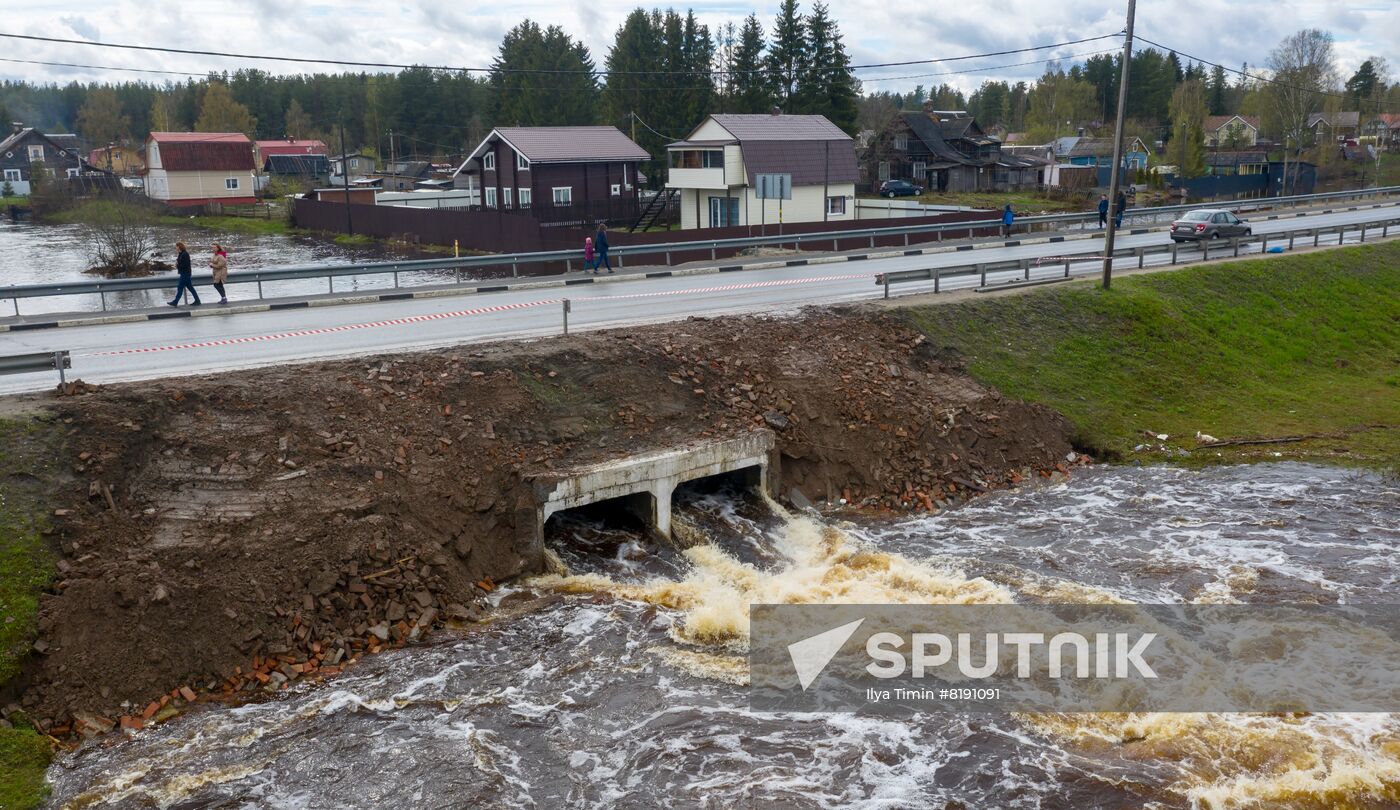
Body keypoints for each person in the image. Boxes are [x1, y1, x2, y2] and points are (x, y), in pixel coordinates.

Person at [168, 241, 200, 307]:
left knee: (180, 287)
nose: (175, 248)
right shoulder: (181, 254)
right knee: (190, 287)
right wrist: (177, 264)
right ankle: (197, 300)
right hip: (185, 273)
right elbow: (180, 262)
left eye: (176, 246)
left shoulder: (185, 254)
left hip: (185, 273)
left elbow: (185, 265)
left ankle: (175, 302)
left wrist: (177, 266)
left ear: (179, 247)